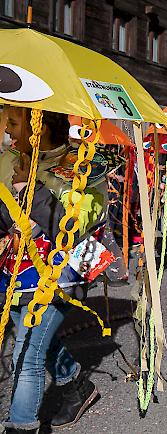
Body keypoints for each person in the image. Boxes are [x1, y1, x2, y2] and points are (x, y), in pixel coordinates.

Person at [0, 107, 102, 433]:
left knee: (26, 353)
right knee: (38, 340)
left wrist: (26, 190)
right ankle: (76, 386)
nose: (8, 132)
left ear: (38, 125)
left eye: (14, 124)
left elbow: (72, 224)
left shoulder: (82, 166)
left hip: (59, 273)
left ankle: (21, 426)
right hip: (16, 272)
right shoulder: (11, 160)